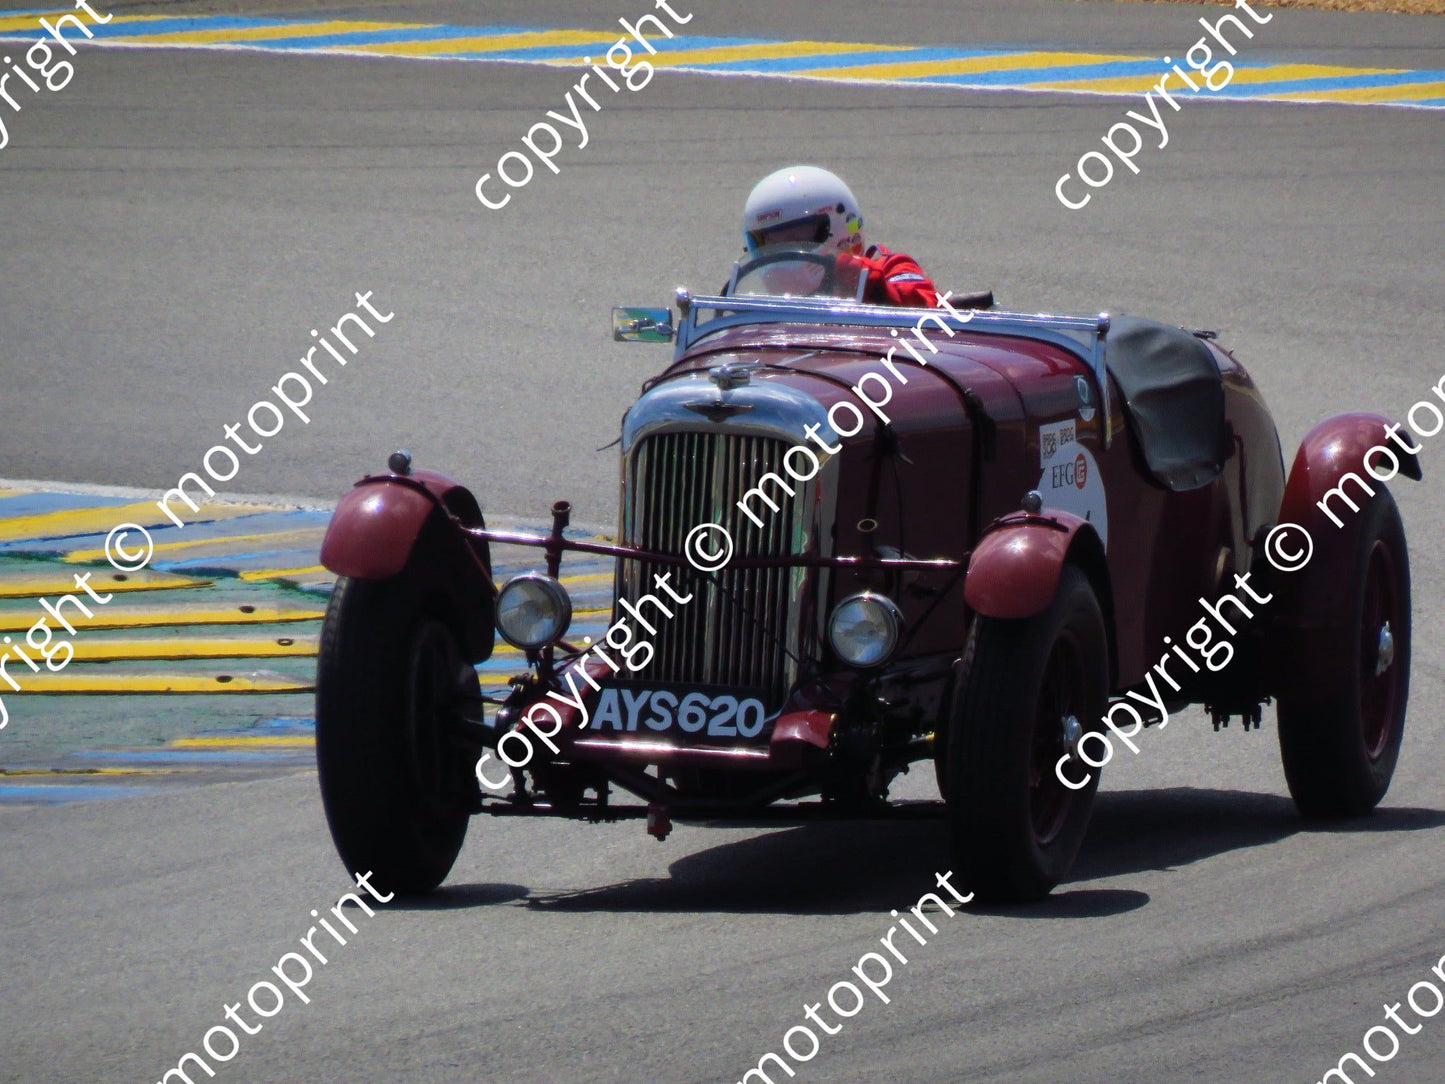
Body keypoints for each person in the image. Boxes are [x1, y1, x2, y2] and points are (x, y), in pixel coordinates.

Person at [741, 164, 939, 308]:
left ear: (839, 227)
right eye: (771, 242)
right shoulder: (760, 306)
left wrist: (869, 284)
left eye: (795, 237)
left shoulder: (892, 269)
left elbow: (926, 308)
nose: (781, 250)